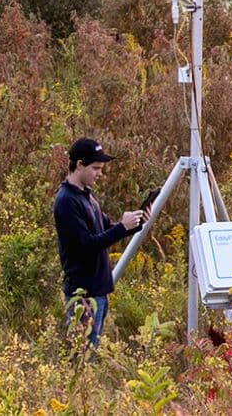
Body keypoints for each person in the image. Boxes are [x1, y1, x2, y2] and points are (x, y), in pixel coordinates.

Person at [53, 137, 149, 348]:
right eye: (95, 168)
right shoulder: (66, 201)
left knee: (92, 353)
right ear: (80, 165)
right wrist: (122, 227)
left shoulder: (86, 196)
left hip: (98, 291)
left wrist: (135, 223)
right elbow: (86, 245)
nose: (100, 173)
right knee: (83, 355)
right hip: (83, 295)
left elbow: (106, 229)